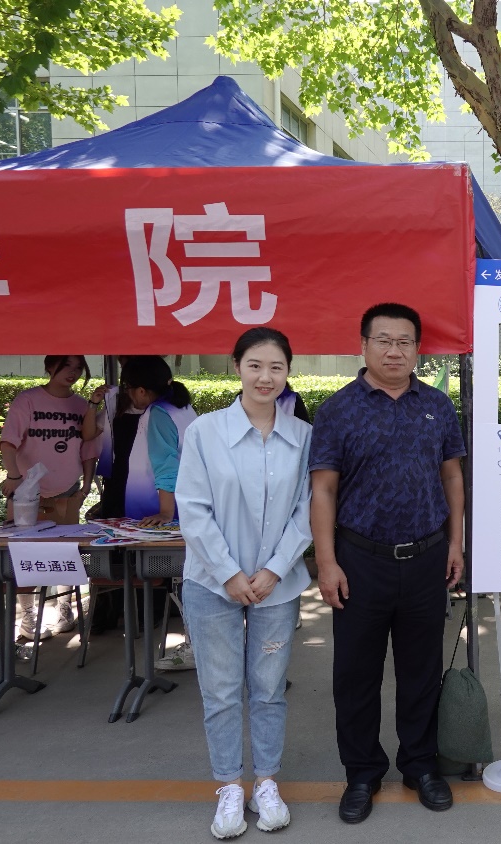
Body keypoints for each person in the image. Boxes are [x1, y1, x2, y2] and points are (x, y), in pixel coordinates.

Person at [310, 303, 465, 824]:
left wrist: (456, 543)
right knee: (355, 675)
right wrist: (326, 562)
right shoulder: (338, 409)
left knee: (421, 670)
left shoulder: (438, 405)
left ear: (418, 349)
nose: (394, 351)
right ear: (363, 346)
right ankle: (361, 773)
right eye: (383, 340)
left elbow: (451, 477)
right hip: (359, 561)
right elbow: (323, 490)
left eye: (404, 342)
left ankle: (420, 765)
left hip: (426, 558)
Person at [175, 328, 312, 839]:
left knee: (269, 688)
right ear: (236, 366)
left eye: (276, 367)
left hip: (278, 584)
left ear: (288, 372)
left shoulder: (303, 437)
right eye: (255, 365)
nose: (265, 377)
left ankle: (267, 781)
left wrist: (274, 569)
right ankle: (230, 786)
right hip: (213, 585)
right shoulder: (205, 432)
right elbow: (192, 509)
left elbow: (308, 510)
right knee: (221, 689)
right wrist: (229, 573)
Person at [0, 355, 101, 639]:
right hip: (26, 495)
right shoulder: (27, 400)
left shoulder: (81, 405)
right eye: (66, 366)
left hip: (67, 491)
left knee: (65, 556)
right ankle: (28, 616)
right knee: (25, 557)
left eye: (78, 368)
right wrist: (14, 477)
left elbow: (88, 450)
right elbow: (8, 443)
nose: (73, 372)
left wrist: (86, 486)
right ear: (49, 367)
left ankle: (65, 608)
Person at [116, 356, 196, 526]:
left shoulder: (159, 413)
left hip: (158, 512)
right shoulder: (182, 407)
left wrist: (166, 513)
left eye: (127, 388)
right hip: (188, 503)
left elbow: (166, 465)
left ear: (141, 391)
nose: (127, 394)